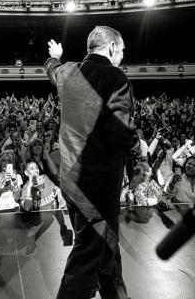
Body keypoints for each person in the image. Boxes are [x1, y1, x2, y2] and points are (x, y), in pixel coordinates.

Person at [46, 25, 137, 299]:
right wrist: (138, 146)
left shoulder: (67, 71)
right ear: (112, 47)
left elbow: (52, 70)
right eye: (121, 50)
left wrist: (55, 57)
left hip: (70, 183)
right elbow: (119, 129)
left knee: (107, 249)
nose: (122, 56)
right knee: (87, 260)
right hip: (95, 190)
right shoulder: (114, 76)